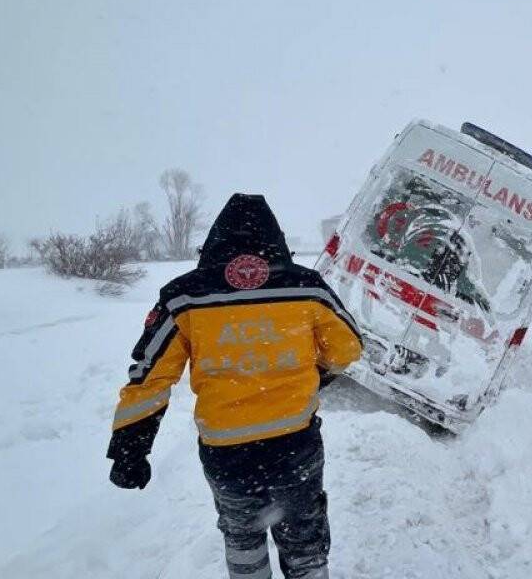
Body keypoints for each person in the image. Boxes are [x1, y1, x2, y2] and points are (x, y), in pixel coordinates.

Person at [106, 194, 362, 579]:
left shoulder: (184, 296)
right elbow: (348, 348)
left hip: (228, 455)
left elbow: (150, 377)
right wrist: (317, 373)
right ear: (276, 238)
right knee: (304, 541)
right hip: (295, 445)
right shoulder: (306, 287)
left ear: (213, 241)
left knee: (243, 538)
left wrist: (130, 449)